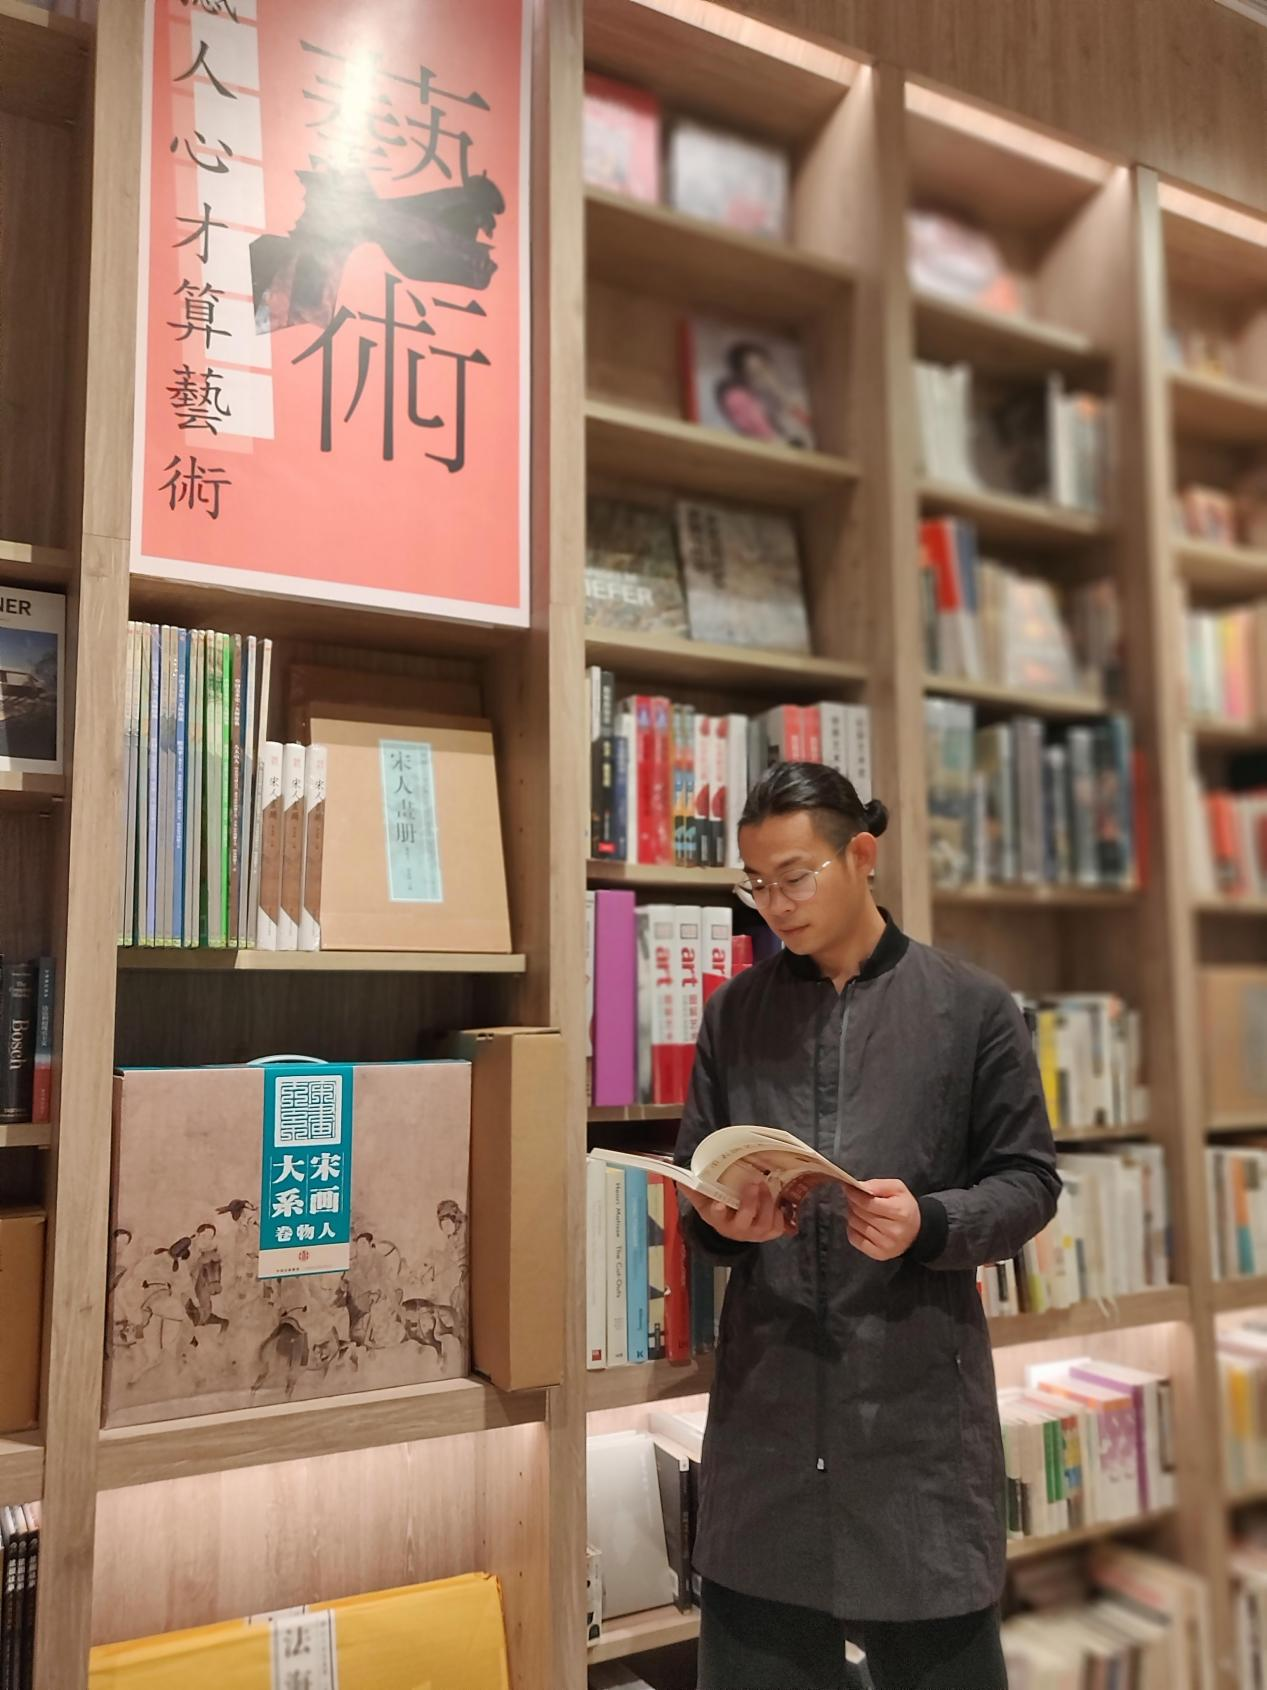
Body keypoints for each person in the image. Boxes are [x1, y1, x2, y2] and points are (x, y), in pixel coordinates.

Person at [676, 761, 1060, 1690]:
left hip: (913, 1422)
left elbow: (1028, 1183)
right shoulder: (735, 1014)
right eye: (757, 884)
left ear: (860, 855)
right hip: (766, 1419)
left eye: (795, 877)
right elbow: (699, 1189)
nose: (776, 905)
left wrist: (928, 1223)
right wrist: (727, 1222)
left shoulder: (970, 1008)